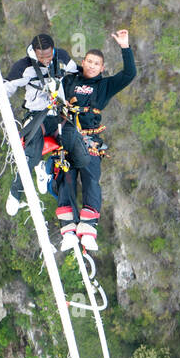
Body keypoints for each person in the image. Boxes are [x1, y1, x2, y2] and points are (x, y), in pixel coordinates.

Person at [0, 33, 90, 217]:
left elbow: (77, 72)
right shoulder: (24, 67)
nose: (47, 61)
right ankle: (16, 192)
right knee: (33, 152)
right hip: (37, 115)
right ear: (34, 53)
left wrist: (94, 81)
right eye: (42, 57)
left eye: (49, 56)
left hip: (59, 115)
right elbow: (5, 89)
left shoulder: (61, 57)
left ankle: (46, 168)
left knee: (82, 157)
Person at [53, 29, 136, 252]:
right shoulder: (69, 80)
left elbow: (129, 74)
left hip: (89, 140)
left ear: (102, 68)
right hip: (65, 139)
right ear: (83, 62)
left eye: (96, 63)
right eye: (88, 61)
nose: (91, 66)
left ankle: (88, 228)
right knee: (65, 180)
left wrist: (125, 46)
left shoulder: (104, 86)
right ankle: (68, 229)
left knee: (90, 180)